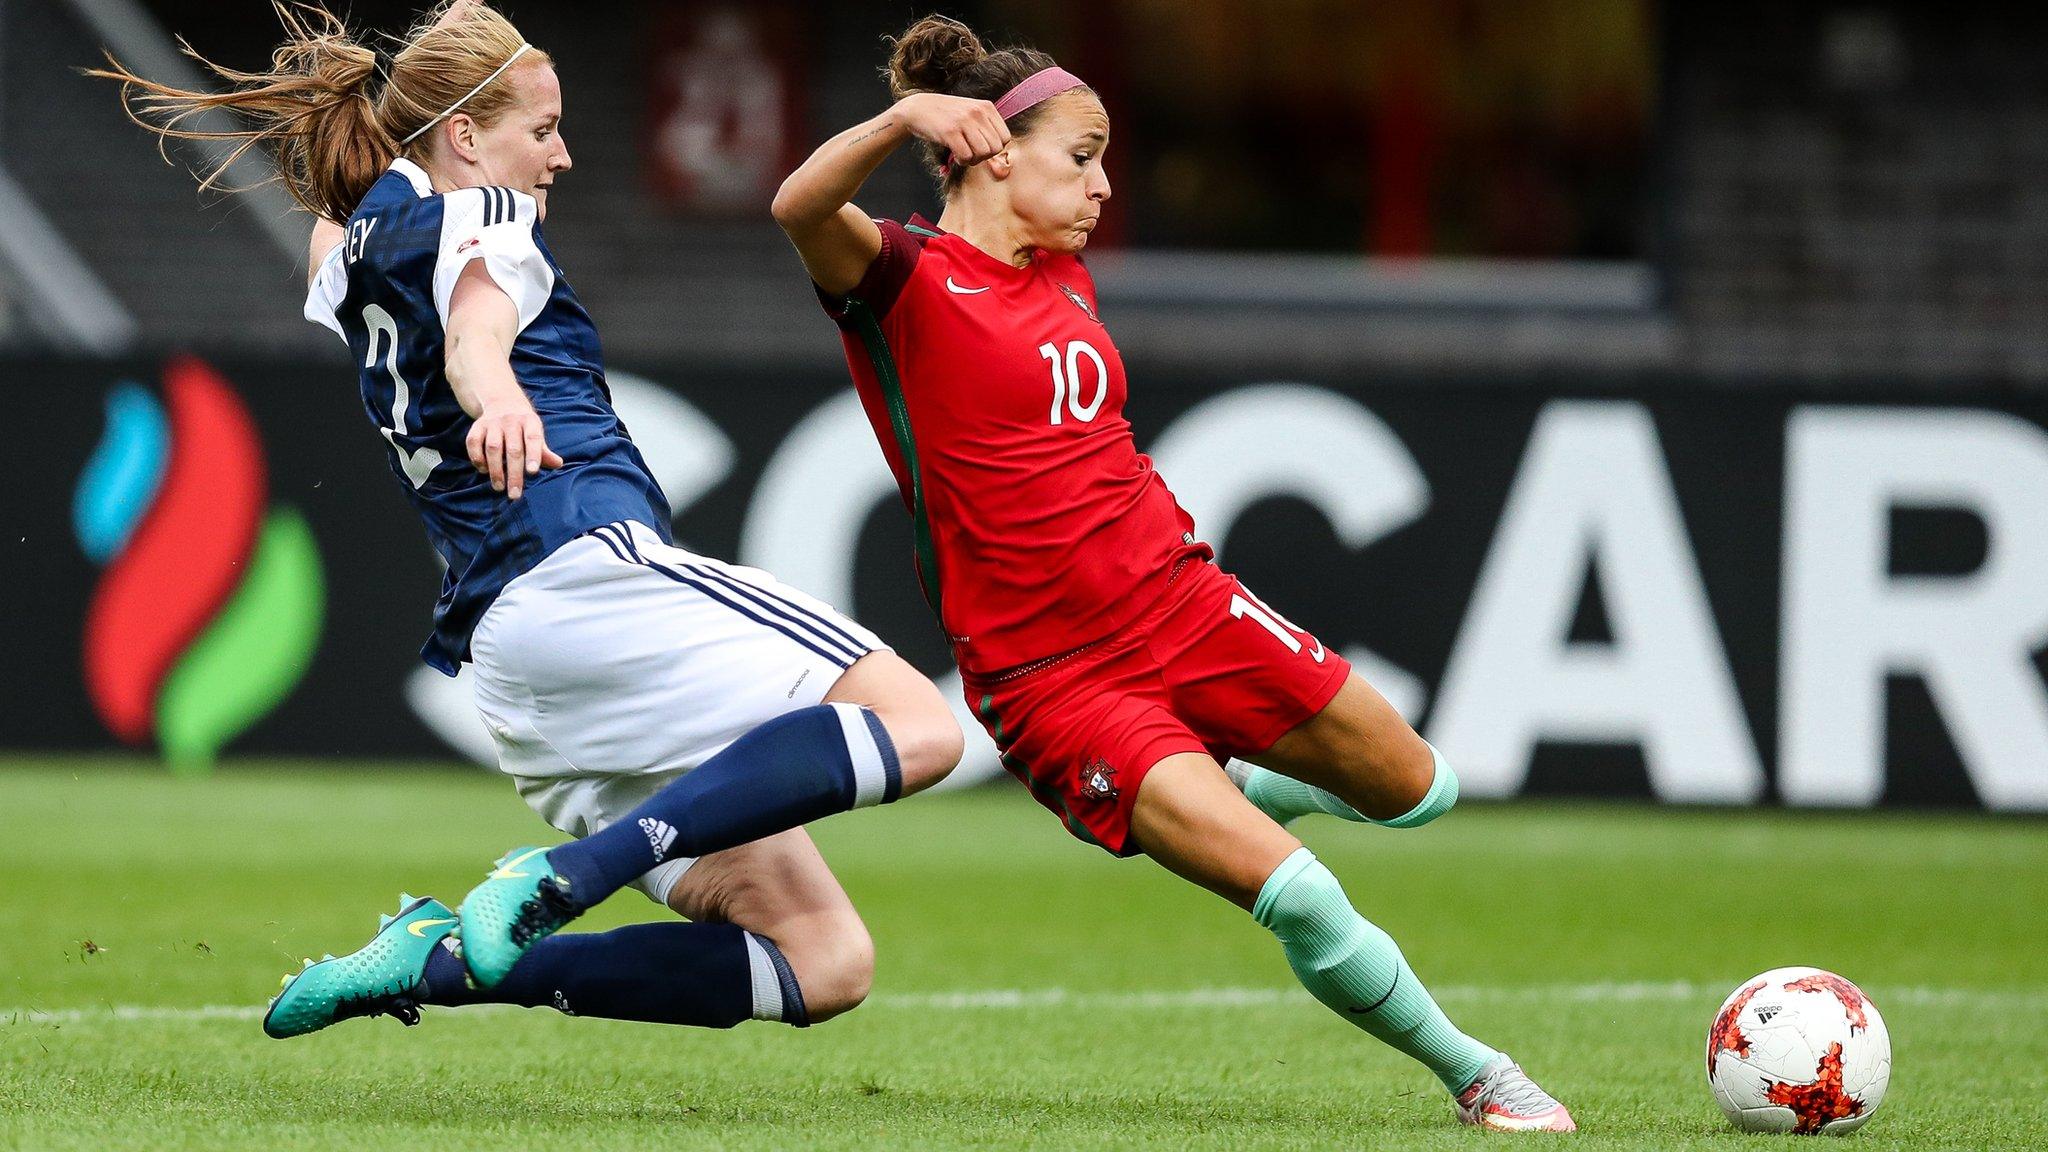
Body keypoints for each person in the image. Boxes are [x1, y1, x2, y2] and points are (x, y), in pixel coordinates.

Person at [92, 0, 961, 1039]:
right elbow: (475, 328)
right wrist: (497, 392)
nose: (559, 157)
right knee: (923, 727)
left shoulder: (356, 246)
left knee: (824, 962)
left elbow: (358, 229)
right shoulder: (485, 214)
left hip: (516, 665)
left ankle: (439, 963)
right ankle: (566, 874)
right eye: (540, 129)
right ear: (464, 136)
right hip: (581, 567)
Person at [772, 14, 1574, 1133]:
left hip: (1184, 603)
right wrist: (906, 114)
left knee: (1416, 790)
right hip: (1056, 677)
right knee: (1298, 892)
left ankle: (1222, 782)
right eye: (1082, 155)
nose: (1103, 187)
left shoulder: (1065, 278)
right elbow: (797, 206)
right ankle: (1479, 1075)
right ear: (991, 151)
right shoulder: (900, 278)